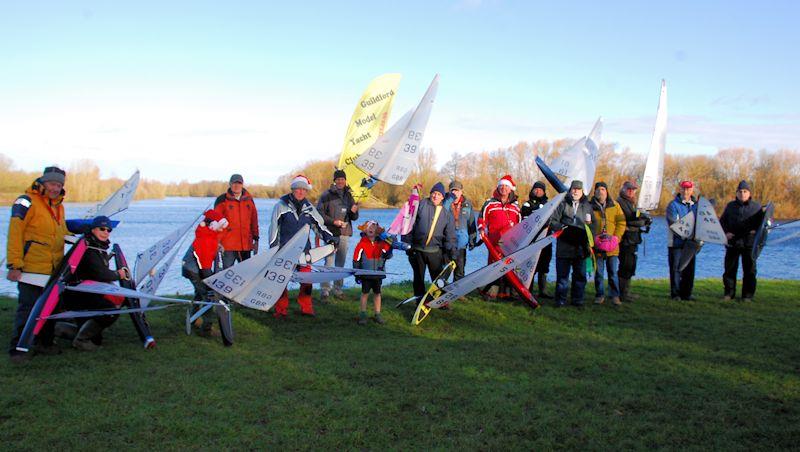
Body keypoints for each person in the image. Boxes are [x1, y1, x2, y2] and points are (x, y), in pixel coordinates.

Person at [6, 166, 68, 362]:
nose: (55, 188)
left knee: (50, 307)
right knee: (28, 307)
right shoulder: (26, 201)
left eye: (59, 185)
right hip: (31, 267)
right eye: (52, 183)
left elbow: (62, 232)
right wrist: (15, 265)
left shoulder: (58, 206)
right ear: (42, 182)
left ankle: (44, 343)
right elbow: (15, 234)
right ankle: (18, 348)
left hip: (53, 268)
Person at [60, 216, 131, 351]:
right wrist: (118, 274)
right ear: (93, 230)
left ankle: (59, 329)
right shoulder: (89, 248)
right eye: (102, 229)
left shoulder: (98, 247)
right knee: (110, 311)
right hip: (76, 293)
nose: (106, 232)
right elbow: (100, 274)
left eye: (109, 230)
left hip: (85, 291)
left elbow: (99, 273)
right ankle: (81, 340)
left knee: (97, 340)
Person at [268, 175, 335, 318]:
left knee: (306, 281)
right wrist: (273, 249)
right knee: (281, 281)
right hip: (284, 251)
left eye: (304, 190)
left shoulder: (310, 208)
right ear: (293, 189)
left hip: (305, 251)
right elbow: (273, 229)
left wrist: (330, 239)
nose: (301, 192)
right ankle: (281, 309)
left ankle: (306, 308)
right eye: (298, 189)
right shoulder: (280, 206)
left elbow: (320, 226)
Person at [402, 182, 456, 299]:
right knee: (418, 278)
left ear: (442, 196)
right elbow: (408, 224)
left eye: (438, 194)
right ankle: (419, 301)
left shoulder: (446, 212)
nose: (435, 196)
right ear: (431, 194)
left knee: (438, 279)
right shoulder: (420, 205)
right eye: (434, 193)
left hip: (435, 252)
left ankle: (441, 301)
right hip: (417, 250)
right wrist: (407, 245)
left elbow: (450, 234)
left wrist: (450, 253)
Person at [182, 210, 228, 336]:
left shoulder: (208, 234)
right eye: (221, 226)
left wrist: (217, 245)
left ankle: (194, 319)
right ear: (214, 225)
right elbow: (204, 266)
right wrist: (212, 283)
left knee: (199, 293)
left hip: (191, 266)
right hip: (193, 269)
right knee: (209, 296)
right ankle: (206, 329)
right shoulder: (206, 240)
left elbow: (211, 241)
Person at [317, 168, 359, 301]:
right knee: (328, 261)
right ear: (334, 181)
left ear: (345, 181)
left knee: (340, 262)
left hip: (344, 233)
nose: (340, 181)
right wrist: (333, 222)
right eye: (338, 179)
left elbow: (354, 217)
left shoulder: (349, 196)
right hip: (330, 232)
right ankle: (325, 290)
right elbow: (319, 214)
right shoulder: (326, 195)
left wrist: (353, 211)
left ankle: (338, 289)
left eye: (342, 179)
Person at [549, 180, 593, 307]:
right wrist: (563, 230)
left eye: (578, 189)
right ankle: (560, 300)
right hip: (564, 245)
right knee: (562, 276)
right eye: (573, 189)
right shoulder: (562, 203)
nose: (575, 191)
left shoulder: (587, 206)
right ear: (570, 190)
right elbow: (552, 221)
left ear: (582, 191)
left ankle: (577, 300)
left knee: (580, 275)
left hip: (580, 247)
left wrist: (589, 238)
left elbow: (593, 225)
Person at [479, 175, 521, 299]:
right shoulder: (489, 203)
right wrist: (481, 229)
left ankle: (507, 292)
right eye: (501, 186)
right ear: (498, 187)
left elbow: (520, 225)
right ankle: (491, 292)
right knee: (494, 266)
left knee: (510, 266)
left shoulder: (515, 207)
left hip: (511, 243)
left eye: (506, 186)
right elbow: (482, 218)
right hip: (494, 242)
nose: (503, 188)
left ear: (510, 189)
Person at [719, 180, 762, 302]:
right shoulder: (730, 206)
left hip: (749, 244)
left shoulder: (757, 207)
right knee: (729, 270)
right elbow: (722, 222)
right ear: (736, 193)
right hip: (732, 243)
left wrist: (757, 231)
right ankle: (728, 294)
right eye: (740, 191)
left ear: (749, 193)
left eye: (745, 191)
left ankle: (747, 296)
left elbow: (763, 225)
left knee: (750, 271)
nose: (742, 193)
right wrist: (726, 233)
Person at [590, 182, 626, 306]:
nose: (600, 192)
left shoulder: (615, 205)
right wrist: (593, 239)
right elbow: (587, 225)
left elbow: (622, 223)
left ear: (607, 191)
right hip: (597, 246)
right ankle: (600, 295)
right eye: (598, 190)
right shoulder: (590, 206)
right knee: (599, 273)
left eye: (603, 189)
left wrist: (617, 238)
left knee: (613, 272)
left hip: (612, 247)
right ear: (594, 192)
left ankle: (615, 295)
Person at [616, 180, 653, 302]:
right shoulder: (620, 202)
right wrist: (643, 221)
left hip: (633, 238)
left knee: (631, 265)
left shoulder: (632, 202)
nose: (631, 191)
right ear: (624, 189)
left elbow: (636, 217)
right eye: (629, 189)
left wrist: (643, 219)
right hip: (626, 239)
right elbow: (629, 218)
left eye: (633, 189)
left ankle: (626, 292)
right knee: (625, 265)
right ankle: (621, 293)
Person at [214, 174, 259, 268]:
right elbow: (215, 223)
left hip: (245, 245)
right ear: (230, 184)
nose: (237, 186)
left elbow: (254, 221)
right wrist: (217, 241)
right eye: (234, 183)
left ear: (242, 184)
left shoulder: (249, 200)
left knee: (246, 274)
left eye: (239, 183)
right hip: (227, 245)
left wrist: (256, 239)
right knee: (225, 274)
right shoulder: (222, 200)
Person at [352, 220, 393, 325]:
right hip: (365, 274)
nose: (371, 229)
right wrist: (357, 273)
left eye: (374, 227)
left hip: (378, 273)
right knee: (365, 293)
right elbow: (356, 259)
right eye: (369, 227)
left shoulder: (382, 243)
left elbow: (388, 253)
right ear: (365, 230)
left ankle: (377, 314)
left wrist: (389, 244)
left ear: (378, 231)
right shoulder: (361, 244)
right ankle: (362, 314)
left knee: (377, 293)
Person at [665, 180, 698, 301]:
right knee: (676, 268)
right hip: (676, 243)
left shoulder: (696, 205)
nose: (686, 191)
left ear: (692, 190)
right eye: (684, 189)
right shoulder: (673, 205)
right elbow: (672, 223)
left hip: (691, 244)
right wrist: (686, 234)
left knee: (689, 269)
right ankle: (676, 294)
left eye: (688, 189)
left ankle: (687, 293)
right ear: (680, 190)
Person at [520, 181, 553, 298]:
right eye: (536, 189)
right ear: (532, 190)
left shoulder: (549, 205)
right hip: (531, 240)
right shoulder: (526, 204)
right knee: (531, 265)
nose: (538, 191)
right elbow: (524, 219)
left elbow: (552, 220)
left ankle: (543, 291)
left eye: (540, 189)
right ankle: (528, 289)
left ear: (544, 192)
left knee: (544, 265)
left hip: (545, 240)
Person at [442, 180, 477, 281]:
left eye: (457, 191)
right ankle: (441, 292)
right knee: (444, 271)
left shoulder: (468, 205)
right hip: (447, 243)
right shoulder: (445, 203)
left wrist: (472, 241)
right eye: (452, 191)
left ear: (461, 191)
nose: (454, 193)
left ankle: (457, 294)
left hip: (461, 244)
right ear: (449, 192)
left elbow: (472, 224)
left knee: (460, 271)